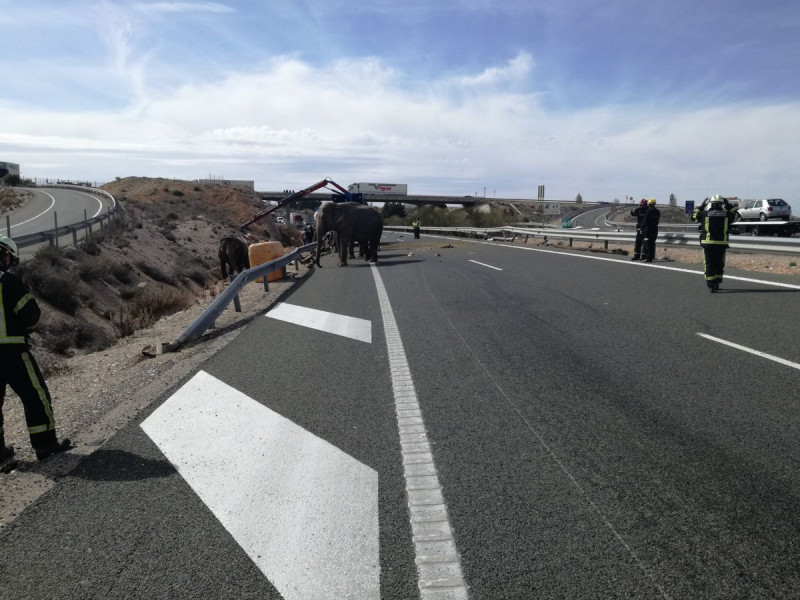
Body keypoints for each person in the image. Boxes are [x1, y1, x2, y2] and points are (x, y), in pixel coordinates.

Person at [0, 235, 72, 462]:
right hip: (12, 351)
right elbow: (31, 318)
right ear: (5, 256)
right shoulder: (9, 282)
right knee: (35, 395)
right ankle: (45, 445)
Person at [692, 195, 739, 292]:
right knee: (719, 263)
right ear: (722, 204)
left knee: (709, 263)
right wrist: (729, 205)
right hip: (721, 243)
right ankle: (717, 282)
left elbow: (693, 216)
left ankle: (711, 284)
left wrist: (701, 206)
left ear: (711, 204)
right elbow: (737, 215)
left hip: (708, 243)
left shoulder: (704, 214)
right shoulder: (727, 215)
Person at [641, 198, 660, 262]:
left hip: (648, 229)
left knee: (647, 243)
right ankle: (651, 257)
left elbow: (645, 221)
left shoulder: (648, 211)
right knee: (652, 243)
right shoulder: (657, 211)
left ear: (649, 204)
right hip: (655, 229)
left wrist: (642, 229)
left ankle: (648, 258)